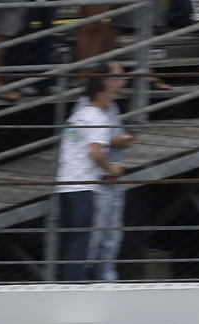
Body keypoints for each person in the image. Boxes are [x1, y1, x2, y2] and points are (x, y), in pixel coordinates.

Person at [55, 71, 122, 282]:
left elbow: (73, 147)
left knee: (69, 239)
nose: (113, 98)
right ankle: (74, 286)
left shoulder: (77, 116)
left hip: (64, 184)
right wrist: (110, 168)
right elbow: (94, 152)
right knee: (80, 240)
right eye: (111, 94)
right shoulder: (98, 118)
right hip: (82, 187)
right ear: (101, 94)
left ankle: (63, 283)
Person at [73, 61, 133, 281]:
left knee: (112, 235)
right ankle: (84, 279)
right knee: (92, 237)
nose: (122, 83)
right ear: (104, 81)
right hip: (95, 181)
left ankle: (107, 278)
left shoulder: (113, 106)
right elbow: (75, 140)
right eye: (118, 78)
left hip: (112, 181)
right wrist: (112, 142)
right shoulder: (85, 107)